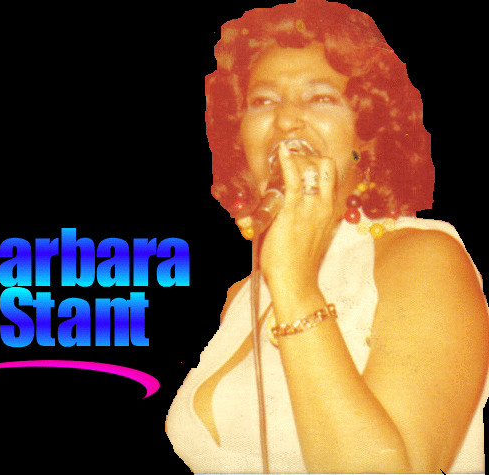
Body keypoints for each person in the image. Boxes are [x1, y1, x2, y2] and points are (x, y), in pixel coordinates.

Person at [166, 0, 489, 473]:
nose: (286, 120)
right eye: (263, 101)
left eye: (320, 98)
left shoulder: (423, 257)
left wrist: (295, 283)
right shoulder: (242, 296)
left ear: (368, 134)